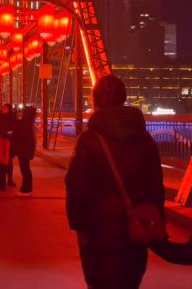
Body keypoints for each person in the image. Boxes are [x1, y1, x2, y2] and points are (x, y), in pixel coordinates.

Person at [65, 75, 164, 289]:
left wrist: (77, 223)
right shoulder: (144, 138)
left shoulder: (89, 139)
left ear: (96, 100)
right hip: (135, 227)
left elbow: (76, 185)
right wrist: (155, 221)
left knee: (99, 281)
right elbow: (156, 185)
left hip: (97, 229)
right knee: (129, 280)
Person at [11, 105, 36, 195]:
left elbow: (15, 135)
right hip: (28, 149)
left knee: (24, 169)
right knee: (26, 169)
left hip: (22, 150)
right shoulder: (30, 123)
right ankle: (28, 188)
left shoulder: (22, 123)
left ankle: (25, 189)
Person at [0, 103, 16, 189]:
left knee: (9, 162)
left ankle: (9, 179)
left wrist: (7, 134)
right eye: (2, 107)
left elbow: (14, 130)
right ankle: (1, 181)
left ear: (9, 109)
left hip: (9, 142)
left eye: (5, 108)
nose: (3, 109)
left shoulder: (12, 118)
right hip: (1, 142)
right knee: (1, 162)